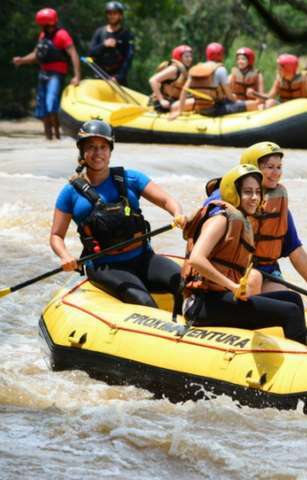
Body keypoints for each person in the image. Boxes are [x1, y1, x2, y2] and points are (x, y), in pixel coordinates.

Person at [50, 120, 186, 309]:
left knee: (185, 284)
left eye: (103, 147)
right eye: (91, 147)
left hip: (143, 258)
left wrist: (177, 214)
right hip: (105, 267)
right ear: (82, 152)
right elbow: (56, 236)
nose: (98, 153)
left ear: (110, 151)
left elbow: (167, 201)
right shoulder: (70, 193)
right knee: (144, 302)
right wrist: (64, 256)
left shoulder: (132, 179)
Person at [181, 164, 307, 342]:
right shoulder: (221, 219)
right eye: (248, 192)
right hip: (203, 304)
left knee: (293, 298)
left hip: (222, 298)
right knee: (290, 312)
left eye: (258, 192)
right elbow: (196, 259)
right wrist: (232, 286)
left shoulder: (241, 220)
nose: (255, 197)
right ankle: (304, 359)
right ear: (234, 193)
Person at [203, 142, 307, 294]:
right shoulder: (225, 197)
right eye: (270, 167)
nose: (276, 173)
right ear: (252, 168)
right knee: (254, 281)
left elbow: (295, 250)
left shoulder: (277, 204)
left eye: (279, 167)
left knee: (289, 300)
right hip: (233, 271)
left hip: (267, 272)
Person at [11, 8, 80, 140]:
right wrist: (22, 60)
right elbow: (37, 54)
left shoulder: (62, 35)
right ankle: (48, 139)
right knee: (42, 107)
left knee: (50, 103)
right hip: (43, 73)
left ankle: (57, 136)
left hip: (56, 74)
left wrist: (77, 76)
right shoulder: (43, 36)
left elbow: (73, 54)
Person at [170, 43, 260, 119]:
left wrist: (180, 111)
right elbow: (229, 97)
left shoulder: (195, 68)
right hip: (215, 109)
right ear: (220, 55)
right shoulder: (220, 69)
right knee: (253, 104)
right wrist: (236, 99)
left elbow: (184, 91)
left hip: (199, 108)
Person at [87, 1, 134, 86]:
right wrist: (103, 45)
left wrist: (118, 77)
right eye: (109, 13)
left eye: (115, 13)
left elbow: (128, 59)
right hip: (99, 77)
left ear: (120, 15)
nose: (112, 16)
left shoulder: (127, 35)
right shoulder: (99, 32)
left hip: (118, 80)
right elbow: (90, 54)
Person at [148, 45, 193, 113]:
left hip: (174, 101)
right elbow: (152, 80)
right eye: (186, 56)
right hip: (162, 104)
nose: (190, 59)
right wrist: (161, 100)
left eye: (190, 56)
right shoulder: (174, 69)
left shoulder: (184, 70)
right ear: (179, 58)